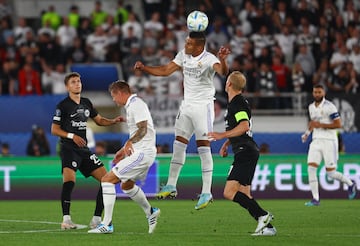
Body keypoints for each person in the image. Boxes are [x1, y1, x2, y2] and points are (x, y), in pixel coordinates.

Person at [134, 31, 230, 209]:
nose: (185, 46)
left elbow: (223, 72)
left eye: (189, 44)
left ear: (199, 46)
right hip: (186, 106)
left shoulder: (209, 59)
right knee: (178, 144)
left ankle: (207, 192)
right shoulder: (183, 56)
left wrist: (223, 59)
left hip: (203, 107)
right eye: (186, 43)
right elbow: (165, 70)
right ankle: (171, 185)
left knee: (203, 147)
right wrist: (144, 68)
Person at [207, 71, 276, 236]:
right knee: (245, 194)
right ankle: (268, 228)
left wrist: (222, 135)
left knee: (229, 192)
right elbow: (239, 128)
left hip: (245, 152)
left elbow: (244, 126)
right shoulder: (238, 102)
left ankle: (263, 215)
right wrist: (226, 144)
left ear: (229, 84)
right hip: (246, 150)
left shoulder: (237, 103)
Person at [51, 72, 123, 230]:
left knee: (107, 179)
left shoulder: (86, 103)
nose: (77, 84)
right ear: (67, 87)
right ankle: (66, 220)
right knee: (69, 181)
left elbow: (99, 120)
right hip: (69, 148)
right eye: (73, 82)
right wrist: (71, 136)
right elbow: (54, 129)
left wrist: (113, 121)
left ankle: (97, 219)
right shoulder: (62, 106)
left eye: (78, 81)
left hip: (84, 150)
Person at [88, 81, 160, 234]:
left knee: (107, 180)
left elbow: (143, 129)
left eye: (114, 96)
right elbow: (138, 130)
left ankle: (107, 224)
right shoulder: (131, 106)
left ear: (120, 93)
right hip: (142, 152)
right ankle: (150, 211)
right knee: (126, 186)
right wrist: (123, 149)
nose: (114, 100)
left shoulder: (136, 104)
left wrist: (128, 142)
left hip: (142, 153)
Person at [301, 84, 357, 206]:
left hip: (329, 141)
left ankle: (350, 184)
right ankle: (315, 199)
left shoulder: (329, 106)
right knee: (311, 168)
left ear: (324, 93)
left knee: (331, 173)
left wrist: (321, 125)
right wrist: (306, 133)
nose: (317, 94)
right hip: (316, 141)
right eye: (315, 92)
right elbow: (313, 123)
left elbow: (338, 124)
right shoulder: (311, 107)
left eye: (319, 92)